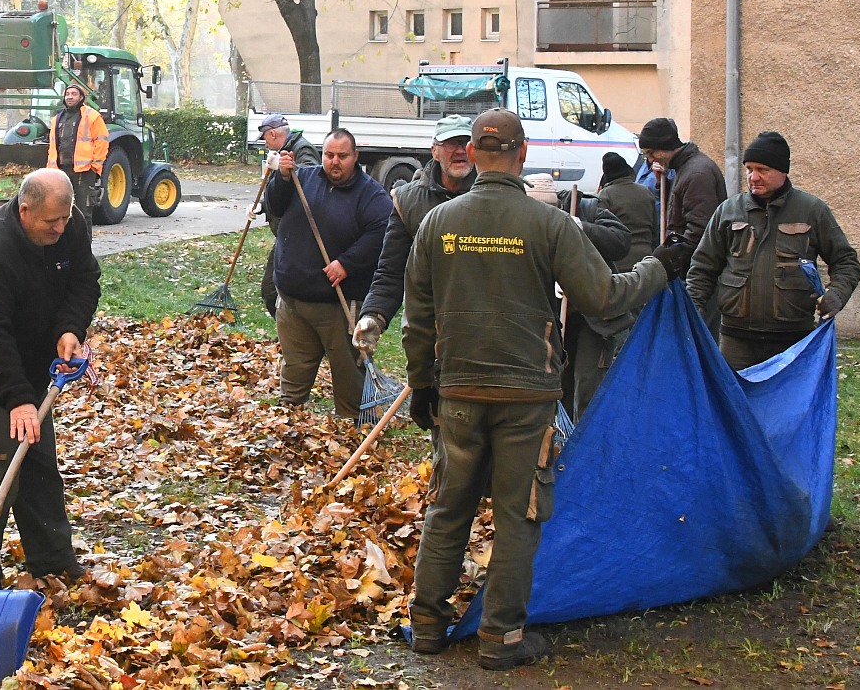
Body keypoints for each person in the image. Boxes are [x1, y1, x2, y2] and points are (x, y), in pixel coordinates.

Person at [402, 109, 676, 670]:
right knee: (518, 516)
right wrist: (660, 267)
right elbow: (603, 297)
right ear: (523, 155)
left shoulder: (438, 224)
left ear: (473, 155)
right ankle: (501, 639)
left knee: (448, 509)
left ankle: (427, 624)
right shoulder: (548, 225)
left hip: (456, 393)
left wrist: (421, 386)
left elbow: (416, 318)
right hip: (526, 399)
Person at [0, 168, 100, 588]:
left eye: (65, 218)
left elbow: (85, 280)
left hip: (36, 373)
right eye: (50, 221)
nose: (60, 228)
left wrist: (71, 329)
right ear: (24, 209)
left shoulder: (71, 228)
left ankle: (52, 559)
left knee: (38, 466)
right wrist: (15, 397)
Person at [686, 131, 860, 371]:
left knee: (789, 407)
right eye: (749, 169)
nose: (753, 177)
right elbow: (702, 268)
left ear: (783, 171)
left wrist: (836, 295)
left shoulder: (812, 211)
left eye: (762, 169)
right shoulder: (728, 211)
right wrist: (694, 306)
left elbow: (846, 261)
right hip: (736, 341)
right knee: (735, 406)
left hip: (794, 339)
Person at [264, 128, 391, 421]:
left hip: (338, 304)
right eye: (329, 155)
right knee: (295, 366)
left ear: (355, 157)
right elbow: (275, 205)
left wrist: (347, 263)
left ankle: (352, 424)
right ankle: (289, 418)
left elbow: (382, 233)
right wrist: (281, 179)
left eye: (342, 156)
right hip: (293, 301)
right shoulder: (302, 178)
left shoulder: (371, 195)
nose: (334, 162)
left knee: (348, 371)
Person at [354, 115, 473, 357]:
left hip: (478, 331)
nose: (460, 150)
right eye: (452, 143)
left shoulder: (490, 196)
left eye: (466, 143)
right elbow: (391, 271)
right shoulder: (407, 202)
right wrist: (374, 315)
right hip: (426, 330)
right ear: (435, 151)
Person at [521, 172, 633, 418]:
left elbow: (621, 241)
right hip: (551, 320)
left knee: (588, 387)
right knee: (559, 386)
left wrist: (581, 227)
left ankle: (585, 447)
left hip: (592, 319)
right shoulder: (521, 222)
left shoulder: (587, 207)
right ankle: (560, 440)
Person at [636, 117, 727, 281]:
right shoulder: (684, 169)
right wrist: (662, 183)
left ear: (667, 146)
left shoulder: (696, 174)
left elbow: (699, 230)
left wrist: (671, 260)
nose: (650, 160)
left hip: (696, 273)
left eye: (651, 153)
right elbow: (682, 204)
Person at [256, 112, 322, 317]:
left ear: (273, 134)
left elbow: (313, 176)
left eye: (265, 138)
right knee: (271, 291)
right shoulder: (282, 150)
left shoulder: (302, 149)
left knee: (273, 289)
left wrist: (289, 168)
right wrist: (261, 205)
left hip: (299, 234)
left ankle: (293, 336)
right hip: (287, 233)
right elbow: (280, 192)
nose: (265, 143)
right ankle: (289, 337)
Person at [46, 81, 109, 225]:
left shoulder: (92, 116)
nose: (69, 97)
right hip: (60, 171)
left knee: (83, 213)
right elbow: (53, 146)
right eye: (67, 94)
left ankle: (85, 246)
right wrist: (51, 170)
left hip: (84, 172)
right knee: (60, 212)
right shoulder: (57, 119)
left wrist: (95, 166)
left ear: (81, 98)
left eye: (74, 94)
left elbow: (102, 140)